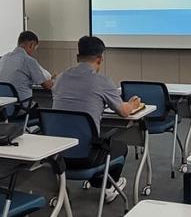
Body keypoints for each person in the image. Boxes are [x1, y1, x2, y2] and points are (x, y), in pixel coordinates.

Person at [52, 35, 141, 203]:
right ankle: (106, 187)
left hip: (57, 153)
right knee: (120, 147)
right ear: (100, 58)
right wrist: (132, 104)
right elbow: (124, 112)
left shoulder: (60, 78)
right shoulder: (102, 81)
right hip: (86, 155)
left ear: (77, 57)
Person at [0, 31, 53, 101]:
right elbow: (47, 86)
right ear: (31, 45)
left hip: (3, 103)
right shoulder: (28, 60)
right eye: (34, 48)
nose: (33, 52)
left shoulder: (4, 58)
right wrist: (55, 80)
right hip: (22, 104)